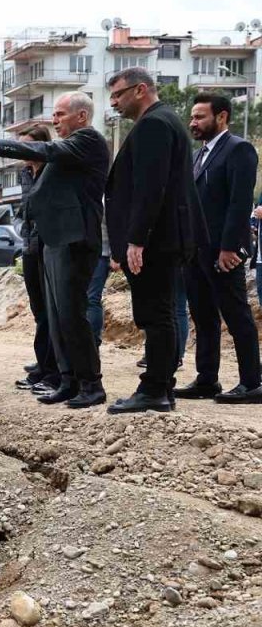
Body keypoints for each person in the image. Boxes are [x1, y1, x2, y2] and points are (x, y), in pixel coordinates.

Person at [0, 92, 110, 409]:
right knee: (57, 317)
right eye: (54, 115)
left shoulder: (88, 141)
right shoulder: (68, 149)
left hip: (75, 240)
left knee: (72, 316)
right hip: (53, 240)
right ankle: (68, 380)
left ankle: (91, 384)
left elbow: (45, 149)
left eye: (60, 114)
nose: (54, 120)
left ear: (82, 116)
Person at [104, 67, 209, 414]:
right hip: (163, 237)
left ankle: (156, 389)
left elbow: (151, 188)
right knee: (157, 312)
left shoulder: (154, 124)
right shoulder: (163, 121)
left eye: (118, 94)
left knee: (157, 313)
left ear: (140, 90)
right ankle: (160, 386)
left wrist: (137, 239)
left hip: (157, 240)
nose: (114, 103)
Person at [173, 92, 262, 403]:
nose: (192, 122)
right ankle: (207, 380)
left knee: (236, 316)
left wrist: (230, 248)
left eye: (200, 117)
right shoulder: (200, 155)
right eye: (192, 117)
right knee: (204, 316)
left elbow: (239, 204)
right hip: (196, 251)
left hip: (224, 253)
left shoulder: (239, 150)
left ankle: (252, 383)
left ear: (222, 117)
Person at [6, 124, 60, 393]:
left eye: (28, 146)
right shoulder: (25, 172)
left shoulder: (53, 169)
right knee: (40, 312)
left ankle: (52, 372)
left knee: (52, 314)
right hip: (29, 247)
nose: (23, 152)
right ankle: (43, 366)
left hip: (48, 245)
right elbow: (25, 208)